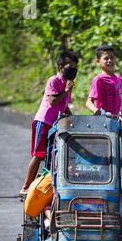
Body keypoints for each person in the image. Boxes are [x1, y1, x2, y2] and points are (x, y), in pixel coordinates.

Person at [19, 51, 79, 199]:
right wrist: (65, 91)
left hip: (54, 125)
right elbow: (53, 102)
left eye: (75, 68)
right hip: (43, 121)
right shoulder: (53, 80)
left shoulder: (68, 84)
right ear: (60, 68)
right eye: (69, 67)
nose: (73, 70)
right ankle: (25, 187)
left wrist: (74, 119)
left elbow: (64, 106)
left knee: (52, 156)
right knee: (38, 155)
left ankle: (47, 186)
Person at [86, 44, 122, 116]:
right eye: (106, 58)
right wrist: (96, 111)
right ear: (98, 61)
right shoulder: (99, 80)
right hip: (104, 123)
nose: (110, 60)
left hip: (117, 123)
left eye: (112, 57)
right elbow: (89, 102)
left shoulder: (117, 78)